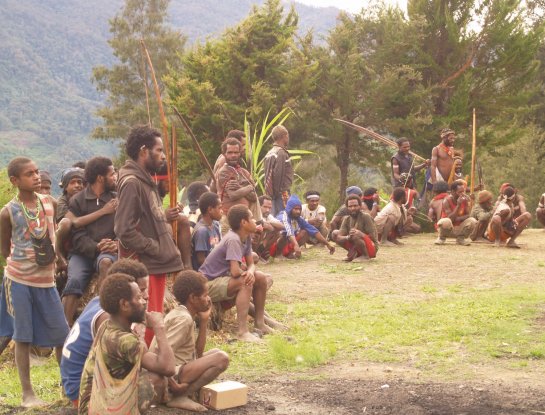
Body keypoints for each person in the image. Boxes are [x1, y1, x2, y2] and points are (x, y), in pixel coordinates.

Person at [0, 157, 69, 408]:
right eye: (29, 174)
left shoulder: (49, 203)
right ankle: (27, 393)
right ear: (15, 181)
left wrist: (56, 258)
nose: (36, 176)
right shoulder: (8, 212)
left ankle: (68, 385)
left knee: (62, 334)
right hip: (18, 280)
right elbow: (5, 249)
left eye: (37, 172)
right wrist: (22, 267)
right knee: (22, 336)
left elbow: (56, 232)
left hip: (46, 282)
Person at [115, 125, 184, 346]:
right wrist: (154, 247)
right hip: (145, 266)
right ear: (144, 151)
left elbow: (147, 218)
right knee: (147, 325)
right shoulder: (132, 183)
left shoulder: (144, 180)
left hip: (154, 263)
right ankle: (145, 372)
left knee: (153, 320)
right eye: (159, 150)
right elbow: (124, 230)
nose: (163, 156)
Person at [78, 273, 175, 415]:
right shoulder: (124, 340)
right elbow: (168, 367)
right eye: (139, 297)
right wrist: (159, 328)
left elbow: (144, 354)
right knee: (157, 381)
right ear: (124, 304)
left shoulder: (107, 325)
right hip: (98, 409)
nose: (144, 301)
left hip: (93, 403)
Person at [60, 259, 149, 408]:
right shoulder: (108, 318)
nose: (145, 296)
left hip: (71, 384)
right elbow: (142, 358)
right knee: (154, 380)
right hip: (83, 394)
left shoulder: (98, 301)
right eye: (141, 291)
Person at [151, 270, 229, 411]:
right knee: (221, 358)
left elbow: (197, 354)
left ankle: (188, 393)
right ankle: (179, 396)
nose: (209, 299)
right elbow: (158, 353)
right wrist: (174, 385)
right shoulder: (183, 319)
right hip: (171, 374)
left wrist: (204, 321)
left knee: (216, 352)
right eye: (205, 295)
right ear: (193, 298)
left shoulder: (187, 315)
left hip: (181, 367)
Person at [199, 205, 274, 342]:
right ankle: (242, 331)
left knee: (260, 277)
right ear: (243, 223)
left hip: (223, 279)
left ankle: (260, 323)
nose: (255, 221)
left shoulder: (246, 237)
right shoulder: (233, 239)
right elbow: (235, 271)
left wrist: (251, 271)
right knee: (245, 281)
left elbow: (251, 263)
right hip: (206, 285)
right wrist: (248, 274)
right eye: (251, 218)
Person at [62, 156, 118, 326]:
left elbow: (125, 226)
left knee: (106, 263)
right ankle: (64, 330)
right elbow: (77, 234)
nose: (115, 177)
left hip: (109, 250)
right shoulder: (77, 201)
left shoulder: (117, 198)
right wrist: (96, 247)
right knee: (74, 281)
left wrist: (115, 243)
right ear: (100, 178)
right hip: (83, 253)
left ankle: (102, 321)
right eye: (112, 173)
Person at [216, 137, 261, 235]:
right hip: (229, 220)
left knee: (246, 249)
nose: (233, 155)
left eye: (236, 152)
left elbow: (253, 197)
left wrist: (241, 187)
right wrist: (249, 187)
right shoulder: (224, 172)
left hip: (244, 221)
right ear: (224, 154)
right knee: (230, 248)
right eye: (230, 152)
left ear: (240, 153)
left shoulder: (243, 172)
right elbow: (233, 195)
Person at [272, 194, 335, 259]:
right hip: (274, 247)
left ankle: (288, 253)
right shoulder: (284, 217)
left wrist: (327, 244)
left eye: (299, 209)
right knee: (284, 235)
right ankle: (278, 255)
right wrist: (296, 245)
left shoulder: (298, 218)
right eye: (295, 209)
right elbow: (289, 232)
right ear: (290, 208)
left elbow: (314, 230)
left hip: (289, 244)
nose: (298, 211)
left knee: (305, 232)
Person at [336, 195, 378, 262]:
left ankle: (365, 256)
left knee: (355, 234)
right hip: (356, 245)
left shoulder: (366, 216)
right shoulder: (347, 219)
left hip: (371, 247)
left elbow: (373, 237)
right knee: (334, 233)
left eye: (355, 206)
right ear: (347, 207)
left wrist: (361, 234)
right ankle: (354, 254)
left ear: (360, 206)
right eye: (350, 206)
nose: (353, 208)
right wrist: (348, 237)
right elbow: (339, 237)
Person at [435, 180, 477, 246]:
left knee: (473, 221)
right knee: (445, 221)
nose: (462, 194)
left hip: (459, 228)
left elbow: (468, 215)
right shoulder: (446, 201)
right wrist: (458, 205)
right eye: (460, 192)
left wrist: (457, 218)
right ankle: (441, 238)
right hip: (448, 229)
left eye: (463, 191)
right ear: (453, 192)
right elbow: (451, 219)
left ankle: (461, 239)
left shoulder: (464, 200)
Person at [263, 125, 293, 215]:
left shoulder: (269, 153)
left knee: (274, 218)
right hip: (281, 193)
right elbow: (278, 174)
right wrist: (277, 194)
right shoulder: (281, 153)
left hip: (271, 193)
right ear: (285, 136)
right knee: (284, 219)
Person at [192, 192, 222, 270]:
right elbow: (201, 260)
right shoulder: (202, 231)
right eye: (219, 208)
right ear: (210, 210)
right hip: (207, 272)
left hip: (216, 266)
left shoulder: (215, 225)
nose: (222, 211)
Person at [253, 195, 284, 261]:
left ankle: (259, 255)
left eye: (270, 208)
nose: (267, 210)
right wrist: (268, 225)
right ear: (259, 206)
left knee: (277, 233)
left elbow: (282, 226)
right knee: (259, 231)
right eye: (265, 207)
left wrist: (269, 223)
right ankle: (253, 256)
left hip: (262, 241)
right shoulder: (255, 214)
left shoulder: (268, 216)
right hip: (248, 242)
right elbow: (265, 226)